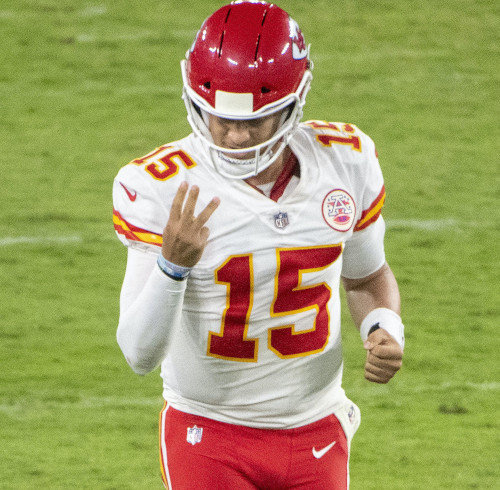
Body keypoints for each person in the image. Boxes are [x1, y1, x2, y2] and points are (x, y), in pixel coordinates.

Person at [112, 1, 404, 488]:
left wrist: (383, 325)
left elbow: (367, 276)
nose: (233, 135)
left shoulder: (346, 162)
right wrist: (171, 267)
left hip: (317, 425)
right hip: (208, 433)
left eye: (255, 121)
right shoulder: (160, 185)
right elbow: (138, 354)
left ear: (294, 104)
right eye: (218, 118)